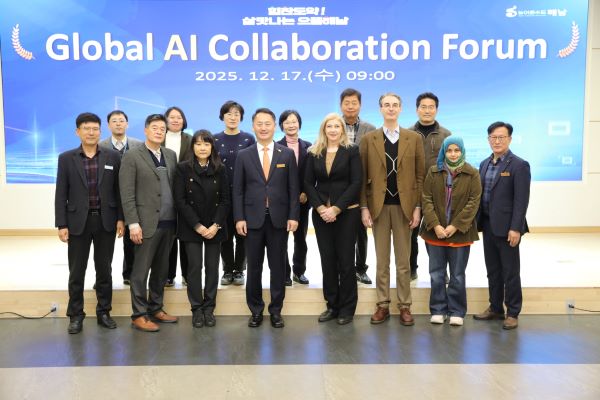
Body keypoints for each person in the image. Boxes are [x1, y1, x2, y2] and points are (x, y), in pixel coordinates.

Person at [359, 93, 425, 326]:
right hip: (378, 207)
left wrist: (418, 207)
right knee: (382, 260)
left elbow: (420, 176)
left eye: (395, 105)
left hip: (405, 207)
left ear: (400, 108)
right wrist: (364, 207)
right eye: (386, 105)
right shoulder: (369, 139)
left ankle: (405, 306)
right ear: (380, 109)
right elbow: (362, 177)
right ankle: (382, 305)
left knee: (404, 262)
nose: (390, 108)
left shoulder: (413, 138)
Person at [55, 112, 124, 334]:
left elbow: (119, 191)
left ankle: (104, 312)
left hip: (106, 221)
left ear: (100, 131)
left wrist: (121, 218)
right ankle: (76, 315)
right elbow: (61, 193)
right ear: (78, 132)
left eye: (95, 129)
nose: (91, 132)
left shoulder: (113, 157)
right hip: (77, 222)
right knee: (77, 272)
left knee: (104, 270)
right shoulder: (66, 158)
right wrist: (61, 224)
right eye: (86, 128)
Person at [233, 108, 299, 329]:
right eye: (259, 124)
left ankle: (276, 311)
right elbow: (238, 190)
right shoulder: (244, 155)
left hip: (279, 220)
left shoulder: (286, 154)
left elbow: (293, 188)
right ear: (253, 126)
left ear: (274, 126)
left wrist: (293, 216)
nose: (263, 128)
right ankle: (256, 310)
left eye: (267, 123)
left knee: (278, 267)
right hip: (252, 220)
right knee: (254, 268)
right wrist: (239, 217)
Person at [120, 114, 179, 332]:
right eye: (155, 127)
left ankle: (156, 308)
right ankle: (139, 314)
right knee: (140, 272)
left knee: (161, 271)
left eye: (162, 128)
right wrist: (132, 223)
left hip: (169, 223)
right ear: (145, 130)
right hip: (145, 224)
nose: (159, 131)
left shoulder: (170, 155)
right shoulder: (132, 156)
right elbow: (126, 193)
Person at [304, 113, 361, 325]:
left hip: (346, 213)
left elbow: (356, 183)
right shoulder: (314, 152)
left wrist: (336, 209)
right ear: (324, 129)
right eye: (329, 126)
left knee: (346, 261)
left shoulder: (352, 151)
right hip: (321, 215)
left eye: (337, 126)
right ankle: (332, 306)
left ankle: (347, 308)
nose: (333, 130)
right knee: (327, 261)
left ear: (342, 130)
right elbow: (307, 183)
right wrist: (320, 208)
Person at [474, 122, 531, 330]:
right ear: (488, 139)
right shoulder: (484, 164)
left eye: (501, 137)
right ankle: (495, 307)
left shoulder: (519, 165)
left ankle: (513, 312)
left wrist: (516, 228)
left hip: (508, 229)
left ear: (509, 139)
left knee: (510, 272)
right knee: (493, 270)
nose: (497, 141)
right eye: (493, 137)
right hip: (488, 225)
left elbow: (521, 200)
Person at [420, 137, 481, 326]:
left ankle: (457, 311)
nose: (453, 154)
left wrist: (455, 226)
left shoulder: (472, 173)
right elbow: (426, 199)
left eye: (456, 150)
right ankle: (438, 309)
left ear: (462, 151)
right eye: (449, 150)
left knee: (457, 275)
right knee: (436, 274)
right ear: (444, 152)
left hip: (460, 233)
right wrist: (435, 225)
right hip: (435, 232)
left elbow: (473, 202)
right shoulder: (433, 171)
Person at [173, 130, 230, 328]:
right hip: (191, 227)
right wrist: (197, 225)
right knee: (194, 268)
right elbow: (180, 201)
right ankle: (196, 309)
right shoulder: (182, 168)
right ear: (192, 147)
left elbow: (225, 200)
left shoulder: (220, 168)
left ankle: (209, 308)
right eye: (198, 144)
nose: (202, 148)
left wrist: (215, 225)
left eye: (206, 144)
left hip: (215, 226)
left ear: (212, 147)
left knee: (212, 268)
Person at [408, 92, 452, 281]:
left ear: (436, 110)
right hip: (412, 191)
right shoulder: (407, 134)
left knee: (437, 231)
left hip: (437, 192)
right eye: (423, 107)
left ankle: (441, 271)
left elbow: (452, 163)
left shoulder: (446, 135)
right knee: (410, 232)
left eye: (431, 107)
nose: (427, 110)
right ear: (417, 109)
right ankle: (411, 269)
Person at [214, 100, 256, 286]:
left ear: (241, 117)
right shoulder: (214, 139)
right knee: (224, 234)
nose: (233, 117)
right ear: (222, 116)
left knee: (242, 234)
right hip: (221, 194)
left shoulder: (248, 139)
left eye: (236, 114)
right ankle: (227, 270)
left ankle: (239, 269)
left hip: (244, 194)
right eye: (229, 114)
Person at [99, 110, 143, 285]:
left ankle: (129, 274)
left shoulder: (138, 145)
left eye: (121, 120)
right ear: (108, 125)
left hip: (133, 198)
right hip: (108, 200)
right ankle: (103, 278)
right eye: (114, 121)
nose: (118, 123)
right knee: (104, 244)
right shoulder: (100, 146)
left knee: (132, 239)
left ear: (127, 124)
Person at [340, 88, 376, 285]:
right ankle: (341, 269)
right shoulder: (333, 125)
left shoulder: (370, 129)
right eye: (347, 103)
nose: (350, 106)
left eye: (354, 103)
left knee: (361, 231)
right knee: (339, 231)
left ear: (360, 105)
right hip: (338, 187)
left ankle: (360, 269)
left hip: (362, 186)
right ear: (341, 105)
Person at [277, 109, 311, 286]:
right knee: (281, 239)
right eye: (287, 122)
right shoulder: (276, 146)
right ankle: (284, 274)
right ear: (281, 126)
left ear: (299, 124)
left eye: (294, 121)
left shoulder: (308, 146)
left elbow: (311, 174)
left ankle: (299, 271)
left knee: (301, 239)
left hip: (303, 201)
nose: (291, 125)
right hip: (281, 202)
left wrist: (305, 192)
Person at [163, 106, 193, 287]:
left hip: (187, 192)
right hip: (164, 192)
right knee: (169, 235)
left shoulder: (190, 140)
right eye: (172, 117)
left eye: (179, 117)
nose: (175, 120)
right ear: (165, 120)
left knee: (187, 234)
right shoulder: (158, 138)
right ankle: (168, 274)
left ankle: (188, 274)